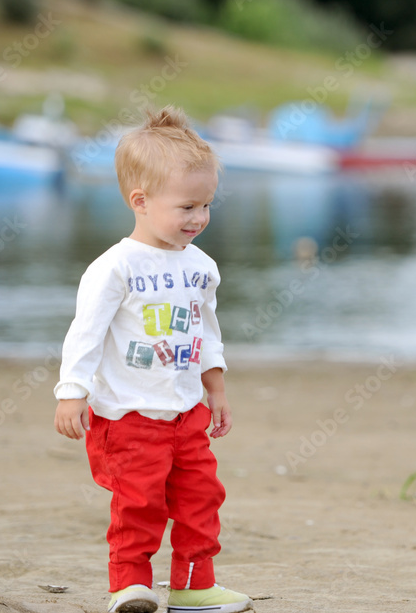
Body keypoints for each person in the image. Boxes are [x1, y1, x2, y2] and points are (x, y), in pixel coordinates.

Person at [53, 106, 251, 613]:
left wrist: (216, 390)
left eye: (206, 205)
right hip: (129, 415)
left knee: (201, 499)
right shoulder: (114, 267)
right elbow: (86, 334)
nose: (199, 218)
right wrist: (72, 392)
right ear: (140, 201)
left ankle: (193, 585)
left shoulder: (201, 266)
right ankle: (130, 586)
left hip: (186, 412)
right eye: (186, 207)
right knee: (139, 503)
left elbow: (207, 333)